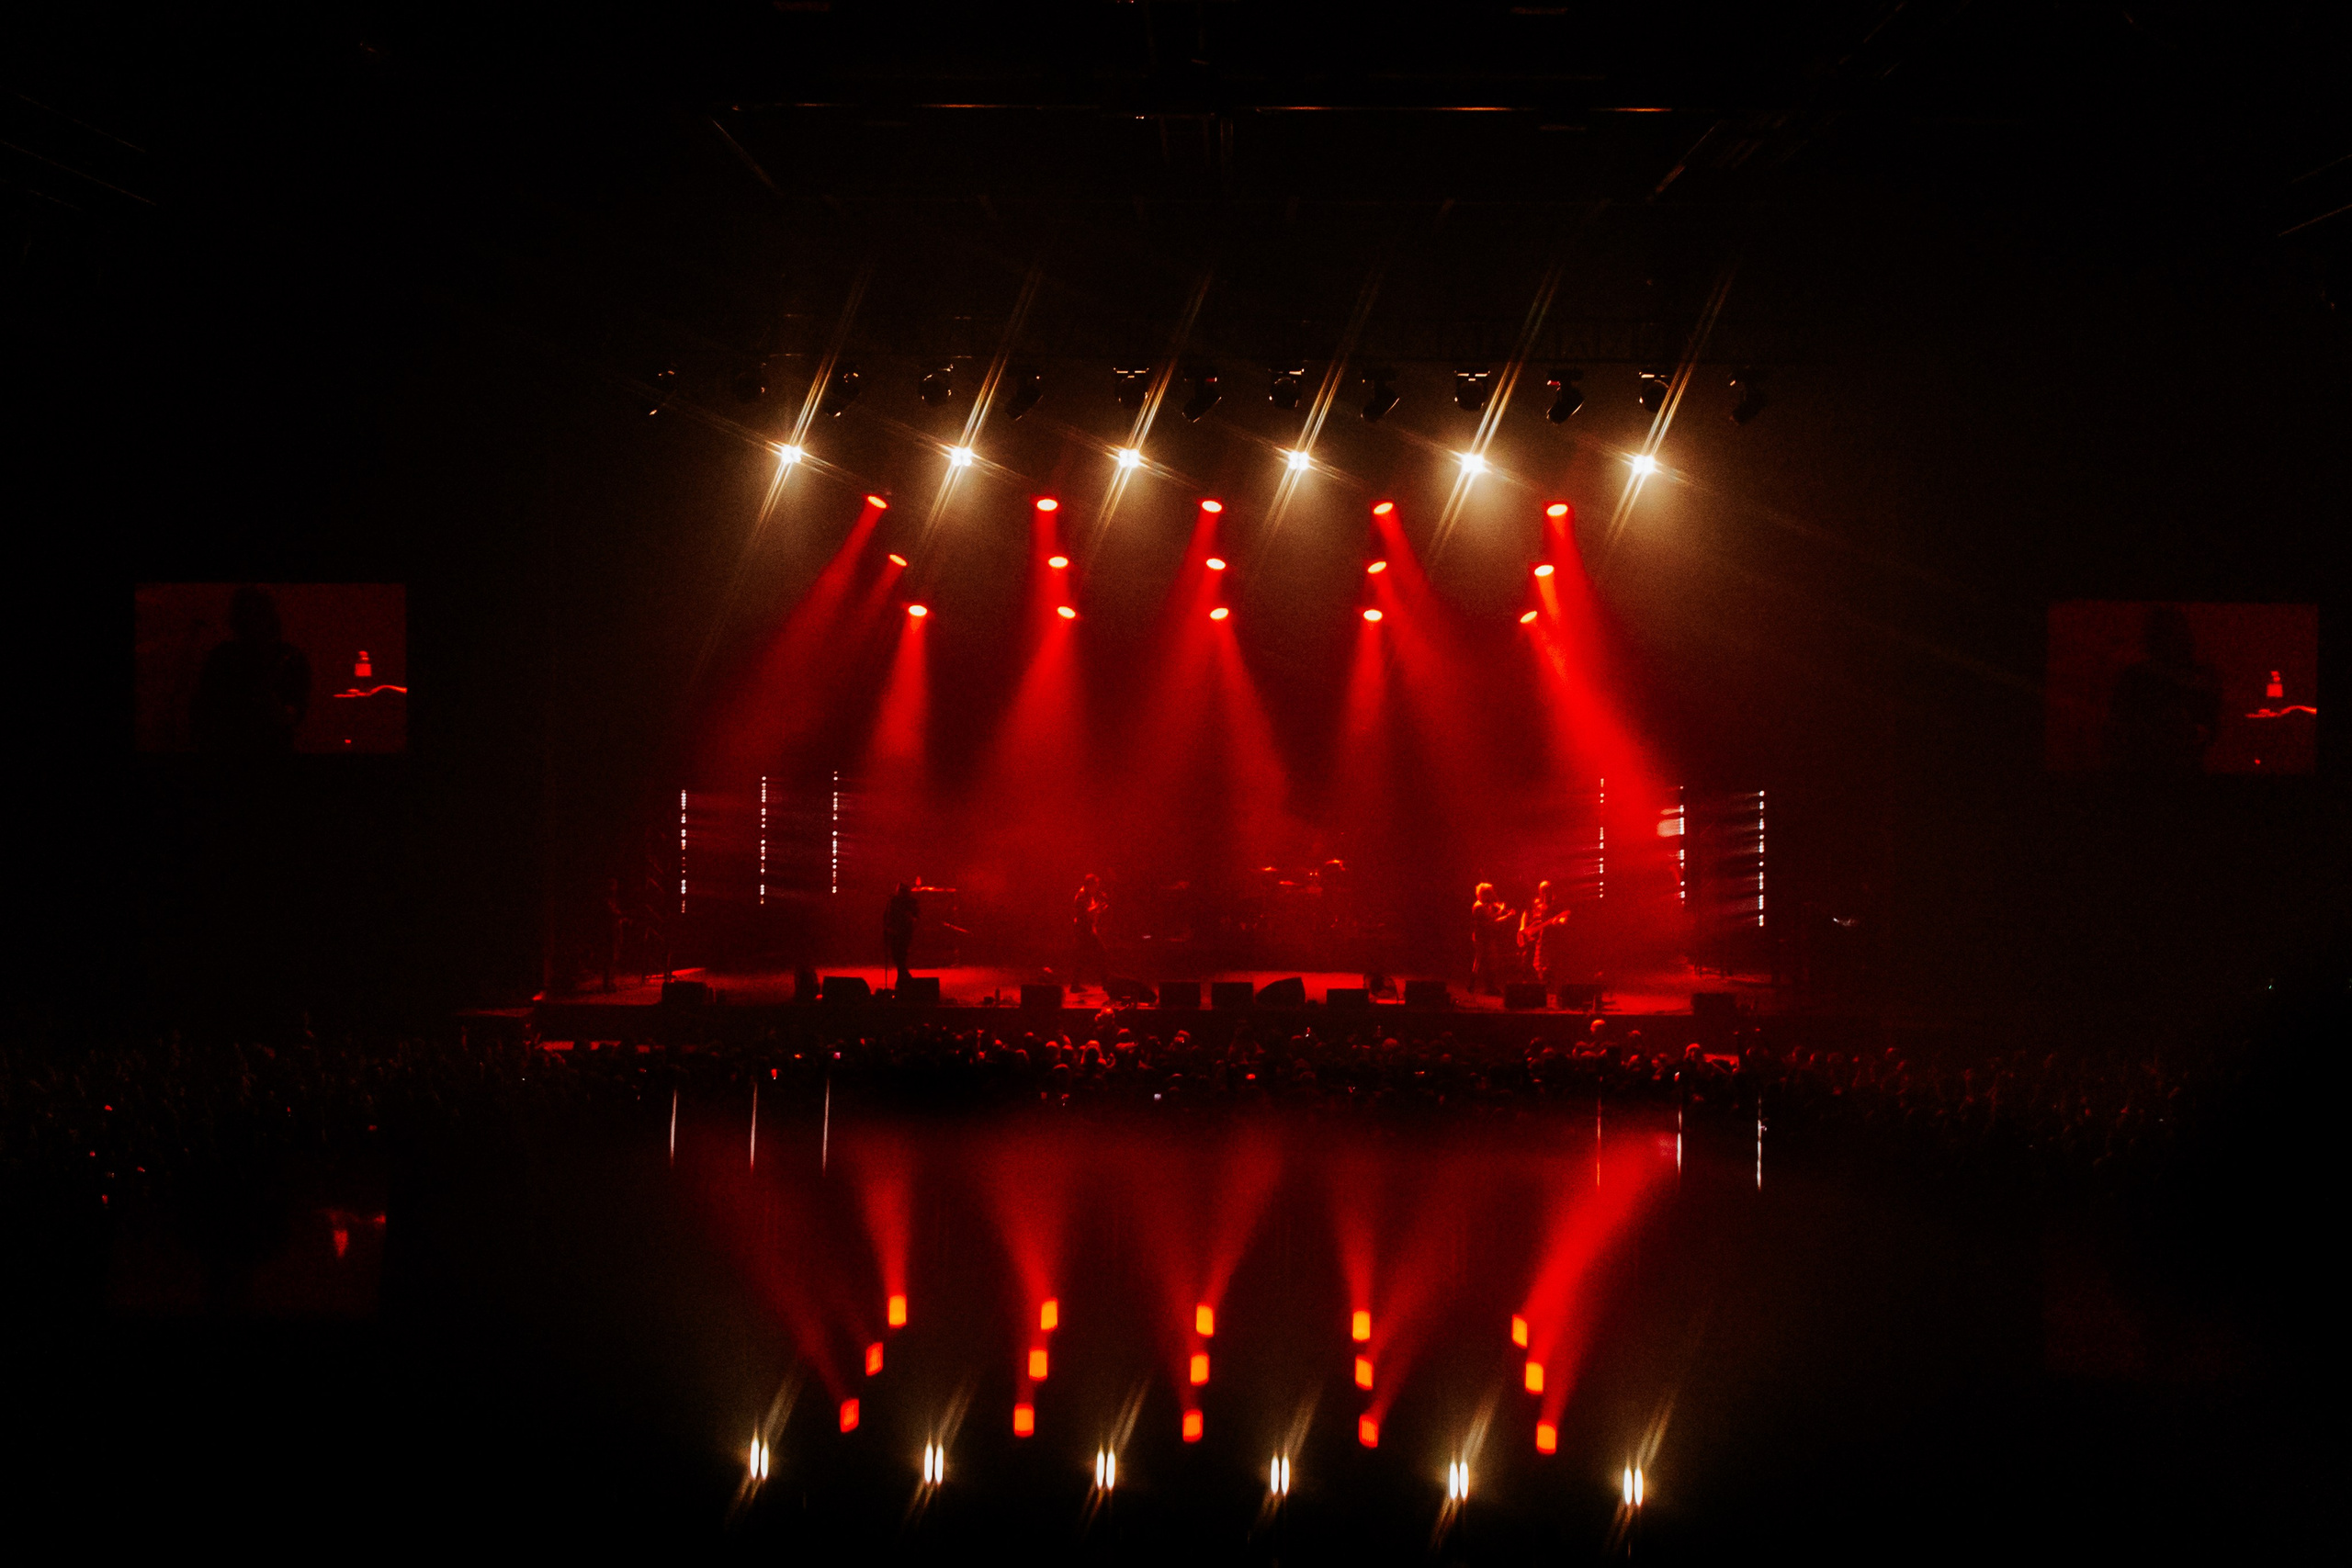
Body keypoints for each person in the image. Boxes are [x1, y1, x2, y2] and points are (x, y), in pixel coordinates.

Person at [192, 585, 311, 755]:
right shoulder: (223, 656)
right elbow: (206, 710)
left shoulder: (289, 658)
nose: (250, 621)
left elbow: (291, 715)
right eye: (246, 615)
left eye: (255, 614)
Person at [1519, 879, 1570, 987]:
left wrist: (1560, 922)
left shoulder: (1556, 904)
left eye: (1547, 890)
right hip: (1533, 936)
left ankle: (1548, 984)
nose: (1545, 892)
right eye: (1543, 890)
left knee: (1548, 961)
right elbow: (1525, 913)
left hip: (1550, 937)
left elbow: (1564, 916)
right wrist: (1522, 927)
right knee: (1531, 960)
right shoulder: (1536, 903)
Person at [1469, 882, 1515, 996]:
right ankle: (1473, 986)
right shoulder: (1478, 907)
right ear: (1483, 894)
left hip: (1487, 936)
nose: (1491, 896)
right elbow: (1492, 921)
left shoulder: (1484, 904)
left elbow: (1493, 919)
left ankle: (1488, 987)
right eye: (1489, 893)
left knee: (1489, 962)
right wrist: (1504, 914)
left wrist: (1502, 913)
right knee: (1480, 962)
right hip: (1482, 937)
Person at [1071, 874, 1110, 991]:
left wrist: (1100, 908)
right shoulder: (1082, 896)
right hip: (1084, 930)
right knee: (1102, 952)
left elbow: (1092, 914)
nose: (1097, 888)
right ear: (1090, 885)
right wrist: (1098, 906)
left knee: (1082, 957)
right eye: (1096, 885)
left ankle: (1075, 985)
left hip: (1087, 929)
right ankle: (1105, 983)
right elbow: (1084, 913)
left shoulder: (1088, 896)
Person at [884, 882, 920, 989]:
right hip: (895, 932)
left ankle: (903, 978)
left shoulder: (911, 902)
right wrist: (888, 927)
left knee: (901, 955)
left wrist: (911, 919)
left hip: (904, 932)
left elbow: (916, 915)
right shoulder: (893, 901)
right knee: (897, 956)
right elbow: (888, 915)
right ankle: (903, 977)